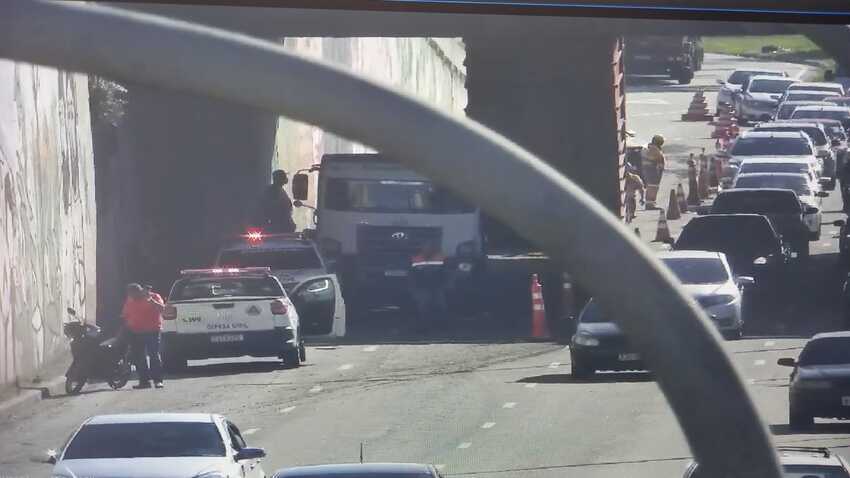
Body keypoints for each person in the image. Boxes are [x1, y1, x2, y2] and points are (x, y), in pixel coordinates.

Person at [122, 283, 165, 389]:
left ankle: (158, 380)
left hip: (152, 331)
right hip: (135, 332)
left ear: (139, 291)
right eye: (130, 294)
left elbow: (162, 309)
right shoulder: (130, 299)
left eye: (133, 294)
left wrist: (150, 299)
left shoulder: (154, 296)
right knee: (139, 357)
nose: (132, 296)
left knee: (153, 355)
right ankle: (144, 381)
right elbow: (125, 314)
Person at [409, 241, 449, 330]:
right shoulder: (416, 258)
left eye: (429, 246)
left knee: (440, 306)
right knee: (424, 307)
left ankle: (442, 326)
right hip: (423, 287)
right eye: (425, 246)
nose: (427, 248)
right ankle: (424, 327)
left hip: (437, 286)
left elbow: (447, 271)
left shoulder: (441, 257)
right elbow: (412, 273)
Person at [643, 134, 666, 209]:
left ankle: (650, 203)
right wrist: (660, 168)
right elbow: (659, 159)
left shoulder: (650, 147)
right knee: (653, 186)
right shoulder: (654, 149)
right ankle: (650, 204)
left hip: (650, 170)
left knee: (652, 186)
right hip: (653, 170)